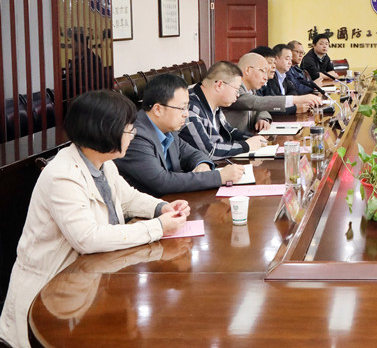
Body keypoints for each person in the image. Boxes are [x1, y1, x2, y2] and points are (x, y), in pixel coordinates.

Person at [0, 90, 189, 348]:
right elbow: (87, 238)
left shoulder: (103, 162)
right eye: (129, 130)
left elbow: (127, 198)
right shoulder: (62, 175)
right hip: (51, 293)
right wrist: (157, 227)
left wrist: (161, 207)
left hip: (88, 281)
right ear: (104, 132)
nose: (133, 136)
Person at [115, 74, 245, 196]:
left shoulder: (168, 128)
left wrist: (202, 165)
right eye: (182, 108)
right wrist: (219, 177)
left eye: (187, 107)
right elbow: (162, 182)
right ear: (158, 109)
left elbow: (193, 154)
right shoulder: (134, 135)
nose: (186, 114)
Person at [179, 61, 268, 158]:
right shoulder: (190, 108)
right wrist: (246, 146)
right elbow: (209, 151)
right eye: (237, 89)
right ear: (219, 85)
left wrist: (254, 139)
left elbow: (229, 132)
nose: (238, 95)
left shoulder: (214, 104)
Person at [228, 53, 321, 130]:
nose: (265, 77)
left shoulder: (252, 90)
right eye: (263, 71)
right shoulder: (234, 90)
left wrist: (263, 118)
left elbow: (261, 108)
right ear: (248, 70)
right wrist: (297, 99)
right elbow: (256, 102)